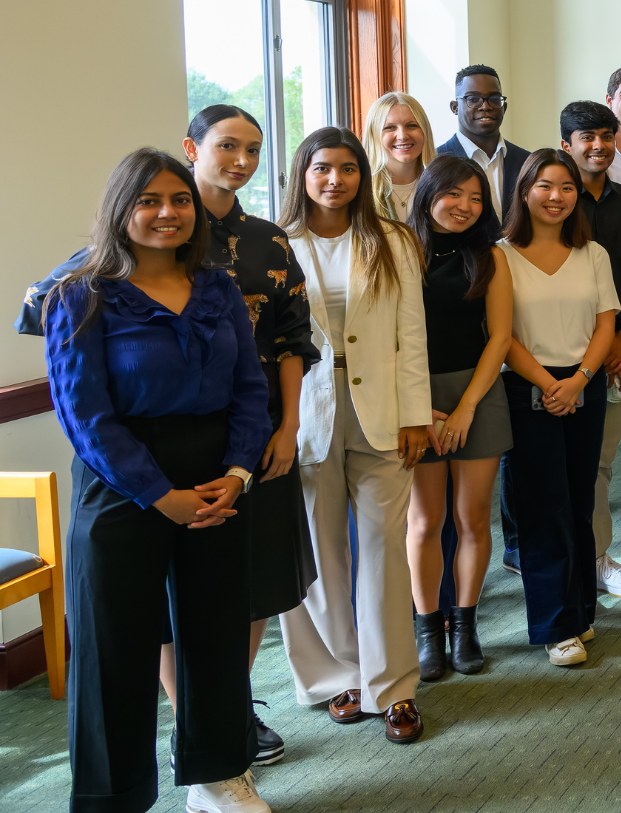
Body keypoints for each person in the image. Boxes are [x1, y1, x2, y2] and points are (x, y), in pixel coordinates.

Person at [46, 149, 273, 813]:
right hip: (120, 482)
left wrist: (237, 472)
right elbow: (85, 413)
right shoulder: (77, 293)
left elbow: (250, 389)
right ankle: (112, 798)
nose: (167, 213)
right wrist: (160, 495)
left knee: (216, 634)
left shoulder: (218, 285)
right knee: (113, 646)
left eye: (179, 199)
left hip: (217, 477)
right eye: (148, 200)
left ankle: (219, 776)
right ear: (121, 209)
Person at [155, 107, 318, 770]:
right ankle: (190, 711)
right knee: (176, 584)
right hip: (172, 437)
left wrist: (289, 426)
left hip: (256, 434)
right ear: (192, 146)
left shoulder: (269, 240)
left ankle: (233, 698)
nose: (241, 160)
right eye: (227, 146)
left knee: (253, 576)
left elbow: (291, 341)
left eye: (252, 148)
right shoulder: (157, 228)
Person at [279, 128, 430, 743]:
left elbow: (412, 334)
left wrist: (417, 413)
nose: (335, 180)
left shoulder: (392, 240)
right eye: (322, 169)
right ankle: (338, 674)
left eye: (347, 168)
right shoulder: (276, 243)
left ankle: (393, 687)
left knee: (383, 550)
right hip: (306, 408)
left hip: (383, 409)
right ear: (303, 175)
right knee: (318, 554)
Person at [498, 149, 621, 661]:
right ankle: (555, 626)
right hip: (527, 392)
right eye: (545, 186)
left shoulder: (592, 253)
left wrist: (580, 381)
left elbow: (606, 324)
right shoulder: (500, 254)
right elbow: (500, 334)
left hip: (585, 388)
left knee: (579, 501)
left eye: (567, 187)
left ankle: (580, 612)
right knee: (541, 508)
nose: (557, 197)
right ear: (525, 192)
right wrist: (552, 384)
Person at [403, 156, 513, 680]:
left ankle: (465, 625)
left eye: (476, 198)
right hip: (414, 397)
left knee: (472, 520)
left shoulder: (490, 256)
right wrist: (419, 407)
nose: (465, 207)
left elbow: (500, 337)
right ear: (428, 194)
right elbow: (387, 337)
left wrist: (468, 405)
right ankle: (428, 631)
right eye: (454, 195)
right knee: (426, 522)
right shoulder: (398, 250)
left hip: (478, 391)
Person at [556, 102, 621, 599]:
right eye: (585, 137)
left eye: (605, 135)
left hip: (617, 348)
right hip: (554, 348)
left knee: (600, 458)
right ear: (566, 146)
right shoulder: (550, 202)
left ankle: (598, 558)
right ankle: (560, 559)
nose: (597, 145)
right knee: (554, 461)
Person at [436, 65, 528, 203]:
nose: (485, 106)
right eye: (473, 99)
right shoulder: (435, 161)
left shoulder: (527, 161)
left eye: (494, 99)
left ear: (504, 107)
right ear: (455, 107)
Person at [363, 92, 437, 222]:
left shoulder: (443, 186)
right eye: (390, 127)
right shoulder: (361, 191)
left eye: (411, 125)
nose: (402, 136)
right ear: (374, 135)